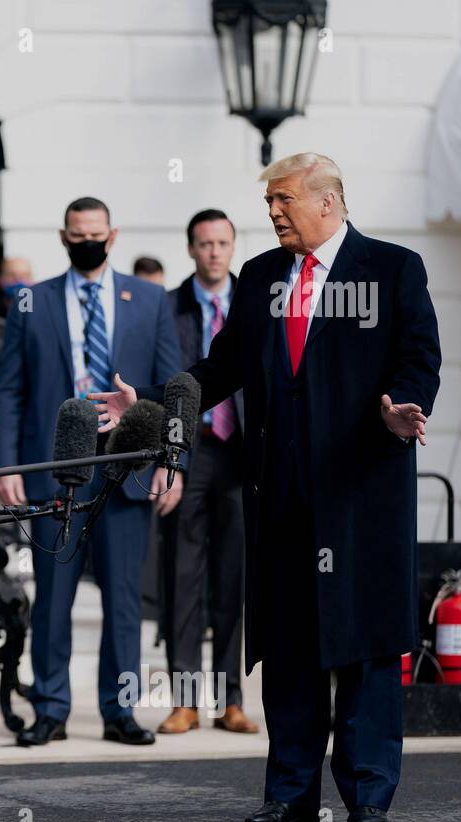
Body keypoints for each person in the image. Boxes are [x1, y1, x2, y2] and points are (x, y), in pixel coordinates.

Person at [91, 153, 441, 822]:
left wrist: (405, 408)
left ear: (328, 202)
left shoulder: (394, 268)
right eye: (270, 203)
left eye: (284, 201)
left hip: (362, 497)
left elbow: (418, 358)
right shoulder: (259, 278)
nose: (274, 213)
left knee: (365, 646)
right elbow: (220, 369)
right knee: (289, 646)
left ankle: (369, 795)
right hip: (279, 498)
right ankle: (292, 792)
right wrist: (157, 404)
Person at [0, 196, 183, 748]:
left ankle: (119, 712)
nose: (87, 241)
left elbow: (174, 389)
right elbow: (8, 390)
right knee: (53, 595)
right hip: (56, 465)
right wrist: (7, 464)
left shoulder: (149, 299)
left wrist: (175, 462)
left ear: (113, 234)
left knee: (124, 597)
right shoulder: (31, 301)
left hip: (127, 463)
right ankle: (50, 709)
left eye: (95, 233)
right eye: (77, 234)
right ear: (63, 237)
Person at [156, 209, 257, 736]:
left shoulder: (254, 301)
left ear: (232, 246)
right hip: (187, 456)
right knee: (183, 579)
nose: (214, 252)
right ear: (191, 249)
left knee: (233, 581)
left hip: (240, 456)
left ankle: (231, 700)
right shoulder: (166, 307)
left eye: (222, 242)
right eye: (204, 243)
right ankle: (185, 701)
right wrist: (163, 461)